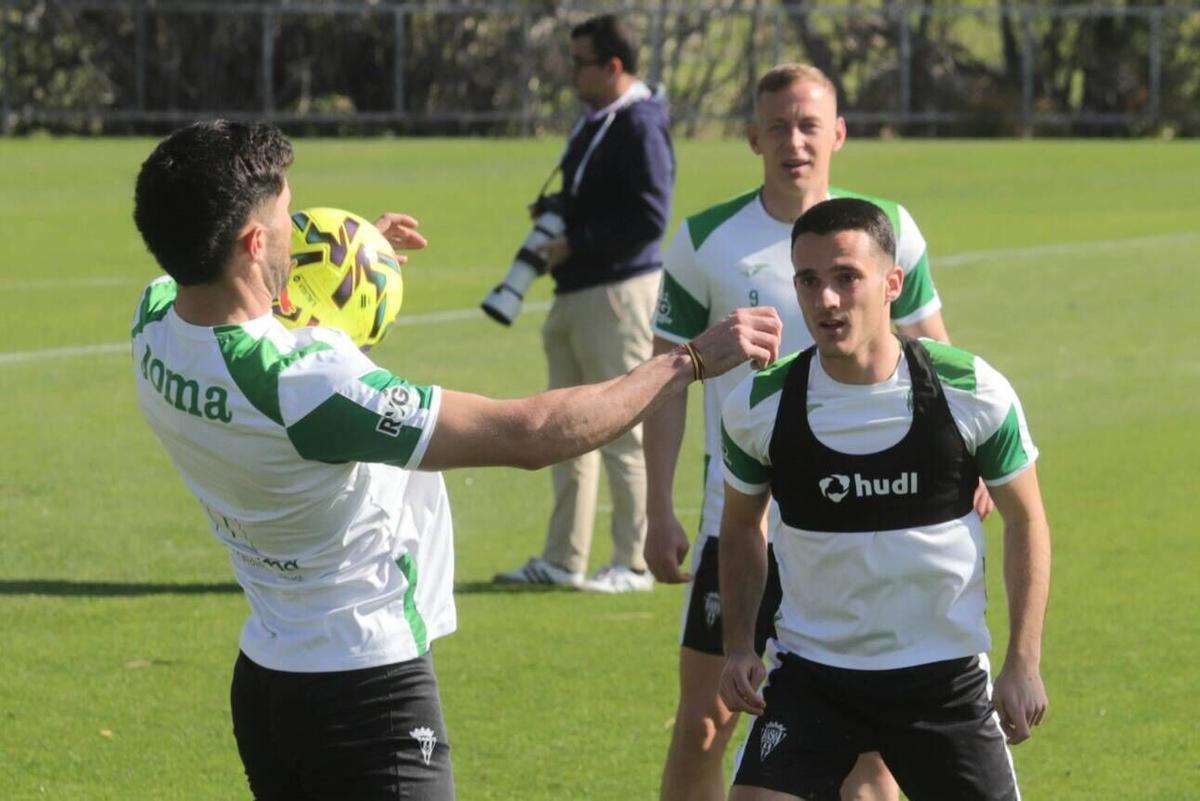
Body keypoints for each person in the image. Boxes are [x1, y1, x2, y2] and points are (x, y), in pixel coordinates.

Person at [130, 119, 780, 801]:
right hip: (364, 689)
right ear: (253, 242)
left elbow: (239, 314)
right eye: (286, 217)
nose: (297, 231)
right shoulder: (307, 386)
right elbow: (531, 433)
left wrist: (356, 259)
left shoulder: (153, 321)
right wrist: (687, 360)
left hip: (267, 678)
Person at [645, 63, 972, 801]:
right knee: (705, 721)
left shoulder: (887, 230)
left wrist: (969, 464)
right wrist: (658, 506)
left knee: (871, 755)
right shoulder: (705, 241)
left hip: (862, 524)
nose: (794, 141)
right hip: (739, 524)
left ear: (838, 134)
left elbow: (934, 357)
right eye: (778, 127)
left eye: (809, 125)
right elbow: (666, 382)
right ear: (752, 137)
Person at [718, 197, 1051, 801]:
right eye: (808, 280)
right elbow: (742, 526)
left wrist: (1023, 663)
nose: (826, 300)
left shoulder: (972, 390)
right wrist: (739, 644)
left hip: (942, 681)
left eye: (847, 277)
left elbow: (1026, 520)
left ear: (893, 283)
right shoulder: (758, 405)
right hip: (813, 678)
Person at [494, 14, 675, 593]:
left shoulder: (640, 124)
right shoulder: (597, 118)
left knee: (623, 430)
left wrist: (578, 242)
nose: (571, 73)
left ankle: (633, 563)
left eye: (580, 63)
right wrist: (558, 215)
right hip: (576, 291)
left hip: (617, 294)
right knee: (564, 430)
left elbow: (650, 218)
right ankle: (562, 559)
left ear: (613, 66)